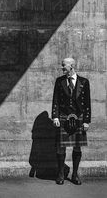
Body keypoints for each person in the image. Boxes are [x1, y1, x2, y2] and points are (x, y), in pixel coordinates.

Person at [51, 57, 91, 185]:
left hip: (78, 117)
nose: (62, 68)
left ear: (72, 66)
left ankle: (74, 175)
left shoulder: (84, 82)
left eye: (64, 66)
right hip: (63, 117)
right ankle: (61, 174)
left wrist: (86, 121)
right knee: (60, 147)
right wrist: (55, 117)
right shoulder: (59, 81)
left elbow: (87, 103)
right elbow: (55, 100)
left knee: (77, 147)